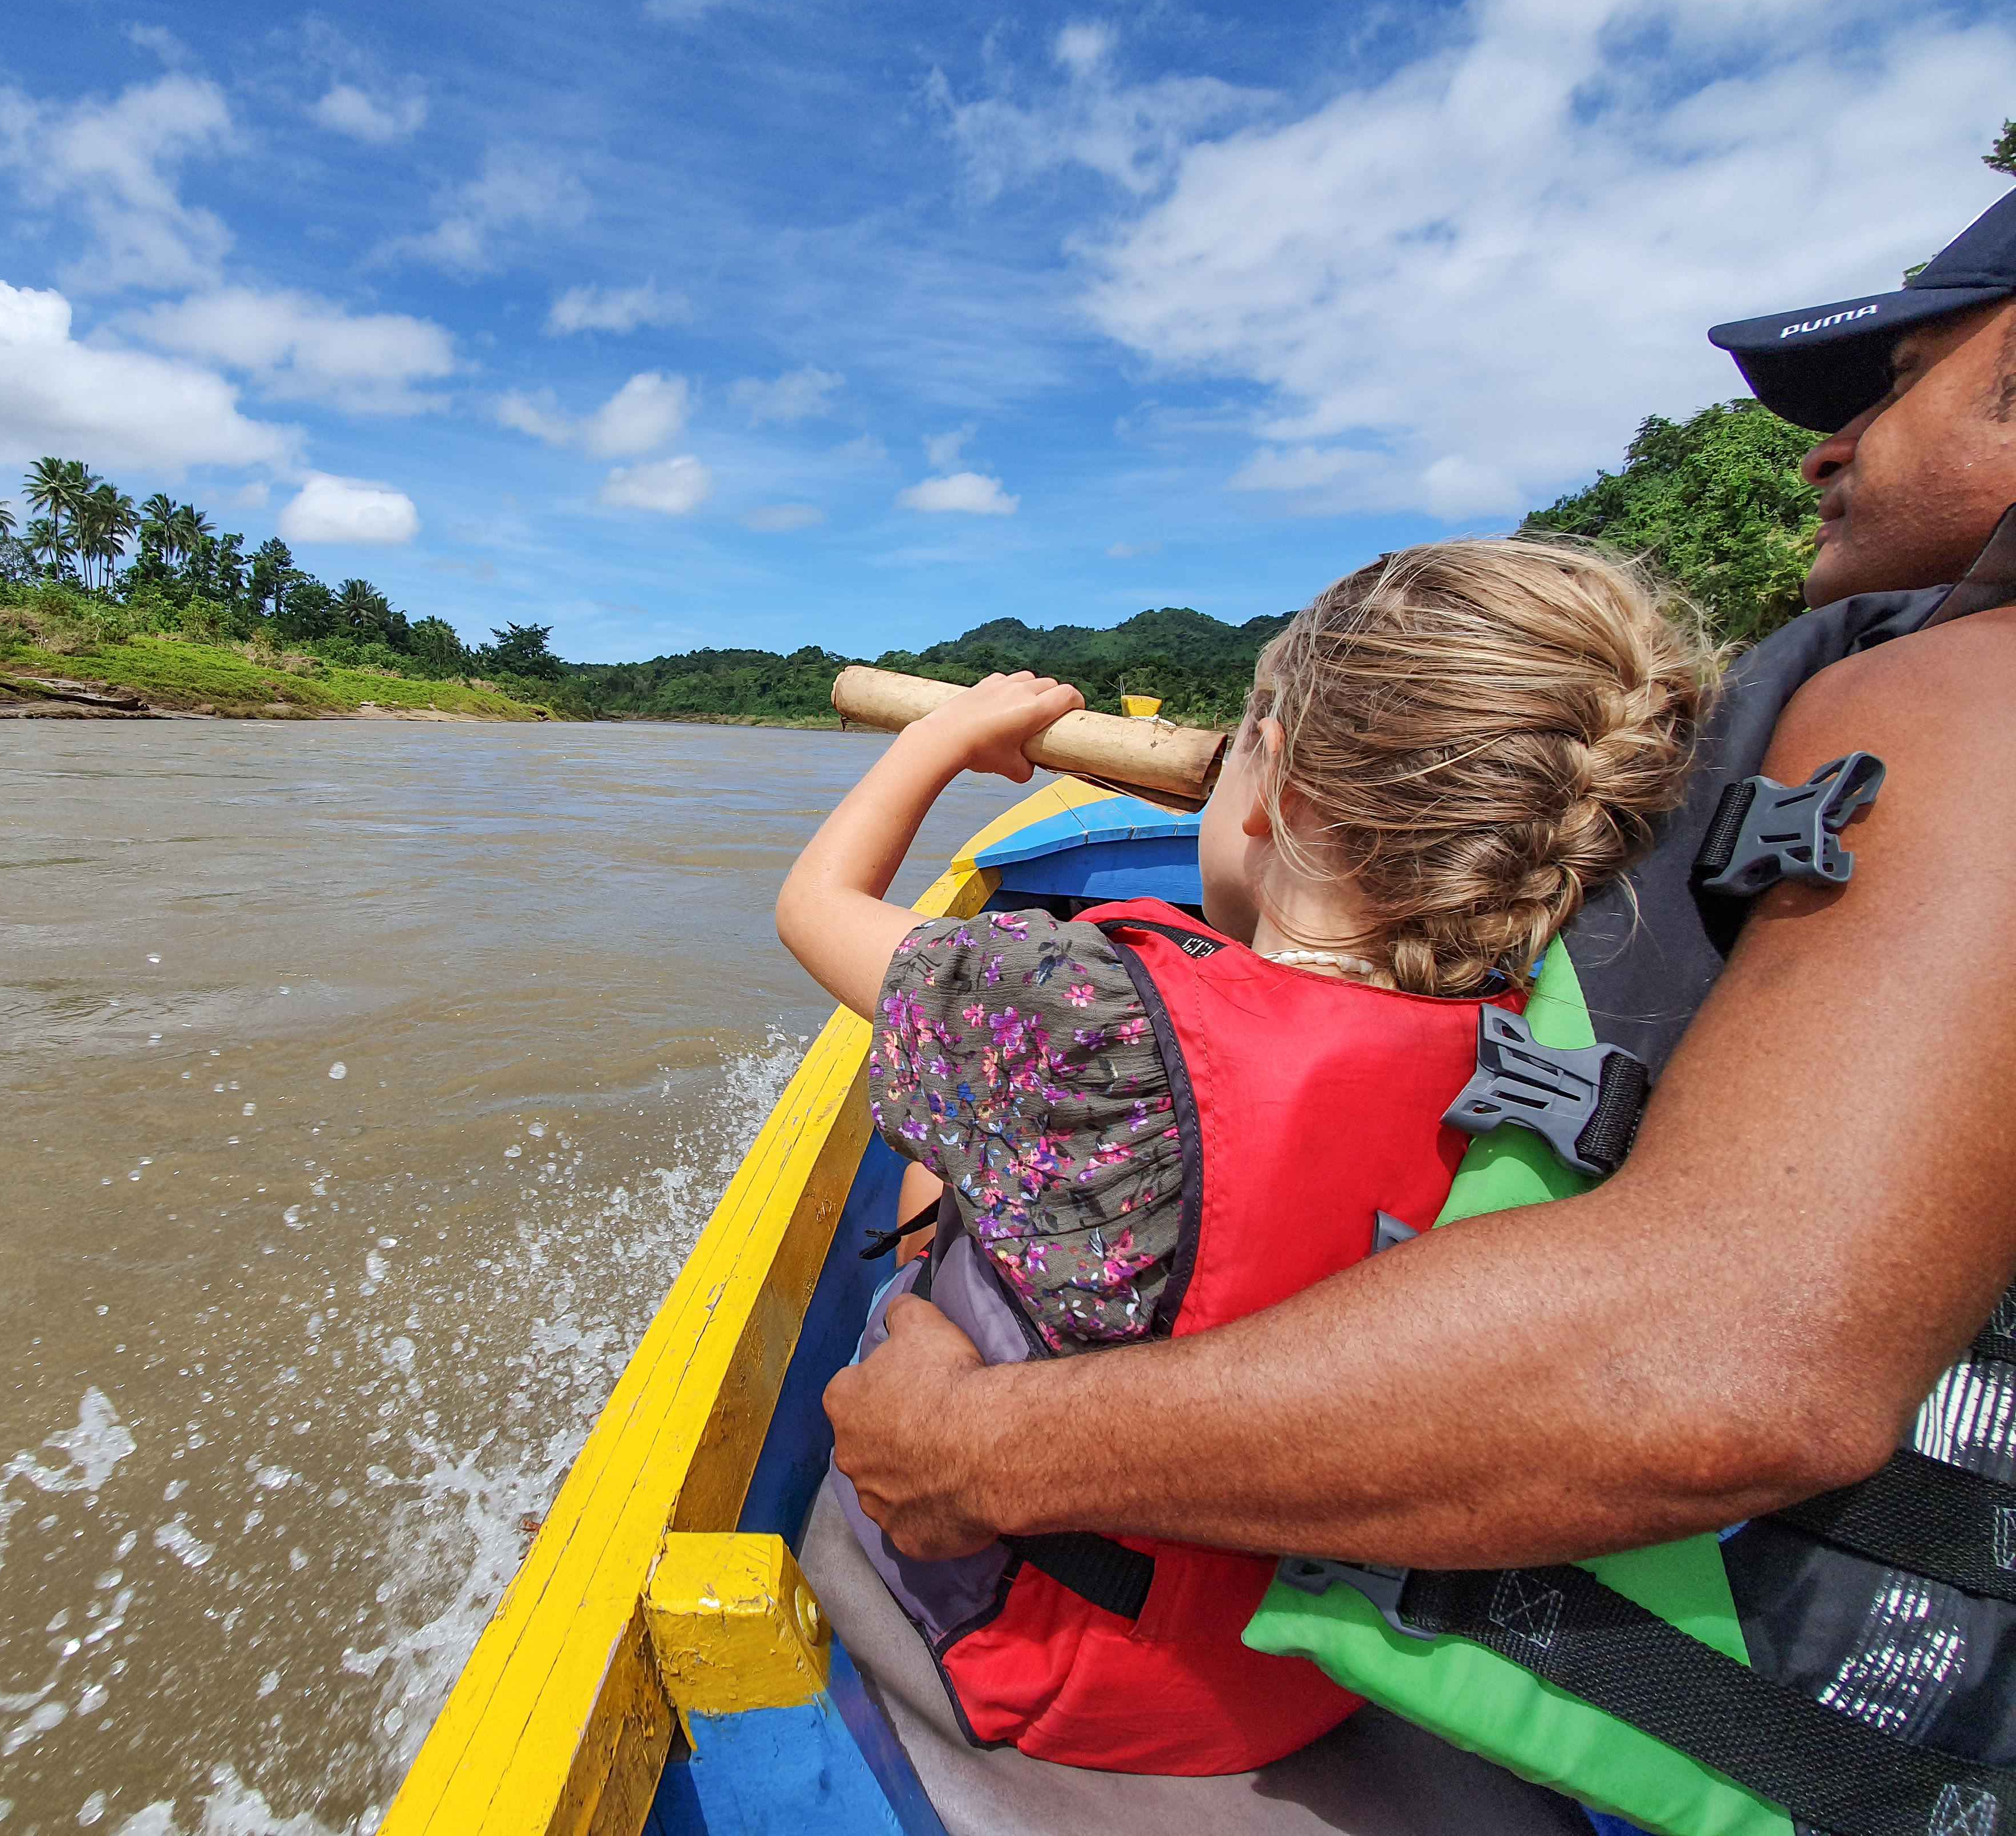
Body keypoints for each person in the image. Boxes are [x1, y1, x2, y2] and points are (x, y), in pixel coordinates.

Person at [817, 185, 2016, 1834]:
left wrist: (976, 1451)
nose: (1830, 447)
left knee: (930, 1195)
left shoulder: (1972, 699)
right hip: (1365, 1644)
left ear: (1279, 791)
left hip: (1089, 1667)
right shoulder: (1520, 1000)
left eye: (1907, 380)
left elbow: (1735, 1369)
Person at [778, 540, 1714, 1778]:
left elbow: (815, 904)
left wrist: (938, 740)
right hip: (1303, 1678)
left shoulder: (1079, 1015)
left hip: (1037, 1662)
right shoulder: (1546, 1064)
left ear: (1271, 785)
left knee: (933, 1175)